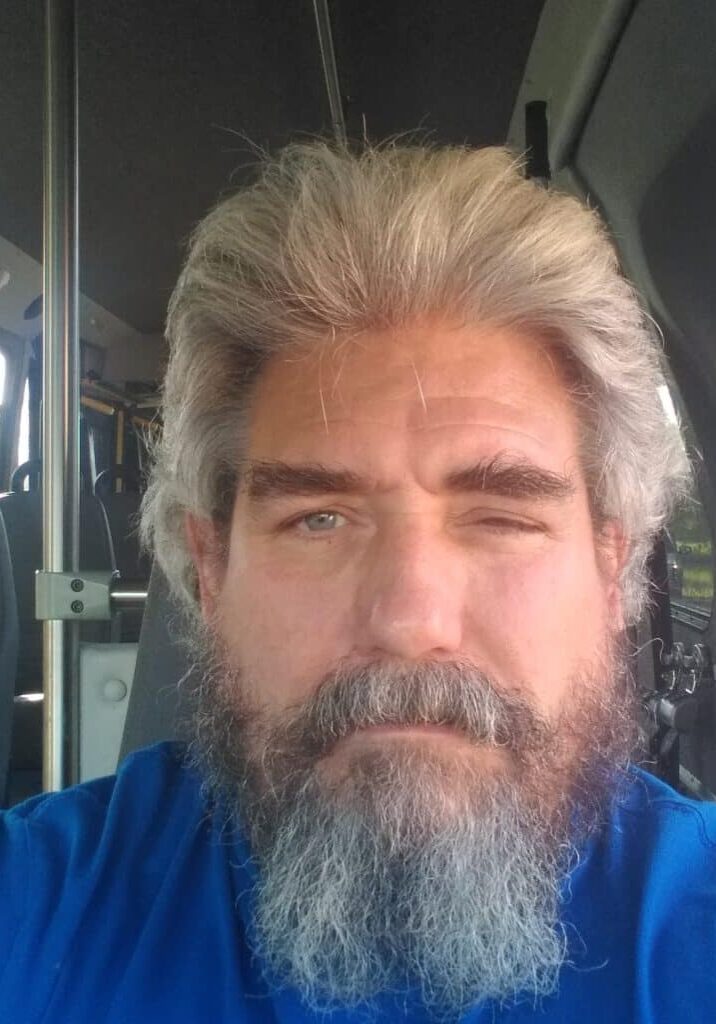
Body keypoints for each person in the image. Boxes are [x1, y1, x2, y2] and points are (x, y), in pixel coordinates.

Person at [1, 142, 714, 1024]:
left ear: (614, 569)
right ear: (212, 568)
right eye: (319, 520)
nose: (411, 619)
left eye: (501, 517)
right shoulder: (39, 908)